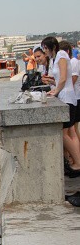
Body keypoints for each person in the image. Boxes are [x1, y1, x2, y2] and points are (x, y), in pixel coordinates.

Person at [41, 37, 80, 177]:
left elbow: (64, 78)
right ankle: (77, 162)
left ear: (52, 47)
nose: (45, 51)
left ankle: (78, 163)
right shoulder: (56, 58)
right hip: (65, 96)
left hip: (67, 97)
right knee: (70, 132)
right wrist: (53, 86)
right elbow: (60, 79)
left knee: (65, 133)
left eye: (45, 48)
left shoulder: (61, 55)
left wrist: (56, 91)